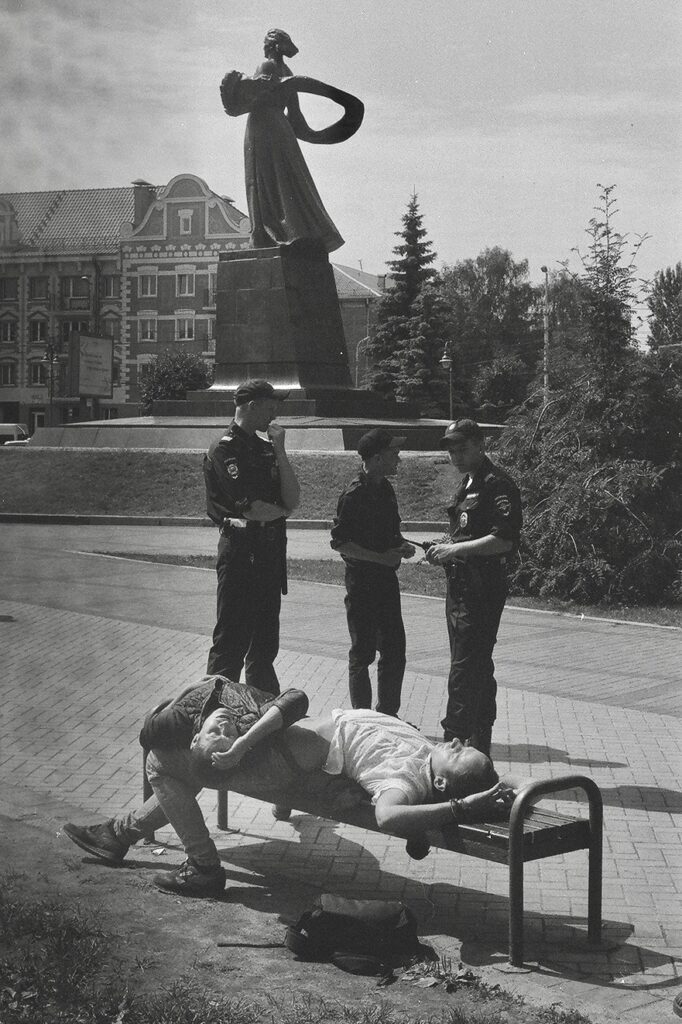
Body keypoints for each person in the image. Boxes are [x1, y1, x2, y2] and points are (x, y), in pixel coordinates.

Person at [63, 679, 513, 899]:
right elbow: (506, 780)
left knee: (162, 762)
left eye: (460, 753)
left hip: (285, 767)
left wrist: (458, 807)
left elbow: (388, 816)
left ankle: (202, 867)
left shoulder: (405, 778)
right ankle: (117, 835)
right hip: (283, 748)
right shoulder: (424, 749)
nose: (457, 741)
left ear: (440, 781)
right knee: (191, 757)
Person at [425, 419, 522, 758]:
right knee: (477, 663)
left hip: (482, 588)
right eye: (451, 449)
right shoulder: (467, 484)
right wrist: (446, 547)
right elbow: (465, 533)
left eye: (461, 448)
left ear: (481, 445)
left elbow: (504, 541)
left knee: (465, 667)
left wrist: (455, 550)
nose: (455, 455)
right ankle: (480, 744)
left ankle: (453, 744)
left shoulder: (498, 485)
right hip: (461, 585)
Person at [220, 29, 362, 254]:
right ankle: (279, 234)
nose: (290, 46)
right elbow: (261, 93)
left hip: (268, 128)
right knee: (281, 180)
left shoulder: (280, 70)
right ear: (276, 45)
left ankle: (273, 234)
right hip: (270, 127)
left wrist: (322, 135)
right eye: (285, 42)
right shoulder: (269, 67)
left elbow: (296, 118)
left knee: (268, 181)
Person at [203, 378, 300, 693]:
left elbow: (292, 499)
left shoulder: (265, 448)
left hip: (269, 558)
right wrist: (280, 511)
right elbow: (253, 509)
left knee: (263, 649)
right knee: (229, 646)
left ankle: (264, 718)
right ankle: (213, 716)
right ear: (252, 406)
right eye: (270, 408)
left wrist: (281, 451)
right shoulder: (224, 449)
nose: (273, 416)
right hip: (241, 556)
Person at [330, 429, 416, 716]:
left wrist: (401, 546)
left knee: (394, 652)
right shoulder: (353, 494)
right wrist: (380, 558)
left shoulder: (385, 489)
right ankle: (363, 720)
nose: (399, 459)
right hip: (362, 585)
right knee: (362, 654)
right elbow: (341, 543)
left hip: (386, 585)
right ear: (377, 458)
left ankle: (388, 717)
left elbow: (390, 532)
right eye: (394, 454)